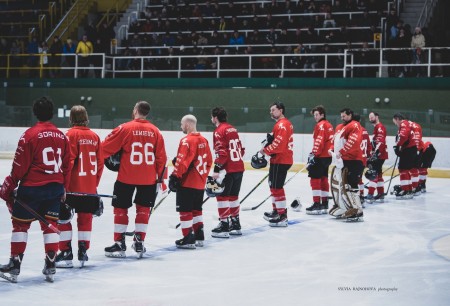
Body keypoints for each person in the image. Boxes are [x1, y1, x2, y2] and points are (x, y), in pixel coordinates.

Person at [0, 97, 70, 283]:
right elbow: (67, 165)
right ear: (52, 113)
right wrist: (64, 187)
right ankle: (51, 264)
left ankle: (15, 265)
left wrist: (9, 185)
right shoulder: (62, 136)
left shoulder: (29, 135)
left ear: (35, 113)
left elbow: (19, 167)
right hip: (55, 188)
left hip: (32, 189)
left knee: (21, 225)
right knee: (49, 225)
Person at [102, 101, 167, 258]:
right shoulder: (156, 131)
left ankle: (119, 244)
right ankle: (139, 242)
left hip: (126, 176)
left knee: (120, 209)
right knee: (143, 210)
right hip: (149, 178)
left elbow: (104, 148)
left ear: (136, 110)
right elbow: (161, 158)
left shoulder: (125, 128)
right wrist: (161, 179)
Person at [55, 105, 104, 268]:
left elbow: (67, 162)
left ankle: (66, 253)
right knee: (85, 219)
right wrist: (93, 185)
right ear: (86, 117)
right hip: (88, 187)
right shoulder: (95, 136)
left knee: (63, 219)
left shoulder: (70, 135)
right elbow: (99, 164)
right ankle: (83, 250)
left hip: (71, 188)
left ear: (71, 118)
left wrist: (63, 185)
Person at [169, 115, 212, 249]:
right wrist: (203, 176)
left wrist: (175, 176)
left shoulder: (187, 140)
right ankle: (199, 235)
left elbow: (182, 161)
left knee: (185, 210)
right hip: (200, 183)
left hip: (187, 182)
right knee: (197, 210)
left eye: (182, 124)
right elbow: (209, 161)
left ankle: (188, 237)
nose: (181, 127)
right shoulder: (204, 140)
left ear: (187, 125)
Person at [210, 107, 245, 238]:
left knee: (222, 197)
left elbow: (222, 153)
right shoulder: (233, 129)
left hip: (228, 169)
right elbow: (241, 150)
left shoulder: (219, 131)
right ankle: (235, 225)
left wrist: (216, 169)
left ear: (215, 118)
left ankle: (224, 225)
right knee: (233, 196)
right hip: (239, 167)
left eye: (212, 117)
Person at [328, 108, 365, 221]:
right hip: (344, 161)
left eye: (344, 116)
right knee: (344, 186)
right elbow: (334, 141)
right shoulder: (340, 127)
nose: (342, 118)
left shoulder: (354, 125)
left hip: (354, 161)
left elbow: (353, 141)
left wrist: (341, 152)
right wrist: (331, 150)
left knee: (350, 186)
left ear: (350, 115)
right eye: (341, 116)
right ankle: (348, 207)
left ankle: (356, 210)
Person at [261, 102, 294, 227]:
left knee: (277, 188)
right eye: (271, 110)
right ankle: (276, 211)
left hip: (281, 160)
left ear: (280, 110)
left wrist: (265, 150)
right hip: (280, 159)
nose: (271, 112)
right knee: (273, 186)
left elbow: (279, 146)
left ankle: (282, 216)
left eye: (273, 110)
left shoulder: (282, 125)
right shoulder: (283, 124)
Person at [305, 105, 334, 215]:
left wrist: (314, 153)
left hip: (320, 156)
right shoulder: (329, 125)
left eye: (317, 115)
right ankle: (324, 203)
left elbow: (319, 140)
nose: (315, 117)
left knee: (315, 179)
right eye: (314, 115)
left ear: (322, 115)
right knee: (323, 178)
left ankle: (317, 204)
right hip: (327, 157)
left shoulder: (321, 125)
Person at [392, 113, 417, 199]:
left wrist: (398, 146)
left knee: (402, 169)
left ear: (398, 119)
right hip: (411, 149)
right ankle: (408, 189)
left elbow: (403, 136)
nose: (395, 123)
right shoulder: (407, 124)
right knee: (406, 169)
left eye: (395, 121)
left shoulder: (404, 124)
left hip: (408, 150)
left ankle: (406, 190)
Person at [365, 112, 388, 203]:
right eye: (369, 118)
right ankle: (380, 193)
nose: (371, 119)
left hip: (379, 154)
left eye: (372, 117)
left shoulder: (380, 127)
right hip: (380, 154)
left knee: (373, 173)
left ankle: (370, 194)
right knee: (378, 173)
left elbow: (380, 141)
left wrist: (375, 153)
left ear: (377, 117)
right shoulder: (377, 128)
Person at [408, 119, 423, 195]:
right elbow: (419, 137)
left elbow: (416, 138)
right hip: (418, 149)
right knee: (414, 169)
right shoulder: (418, 125)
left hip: (414, 150)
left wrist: (415, 150)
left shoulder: (409, 125)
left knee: (413, 169)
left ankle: (415, 187)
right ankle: (416, 187)